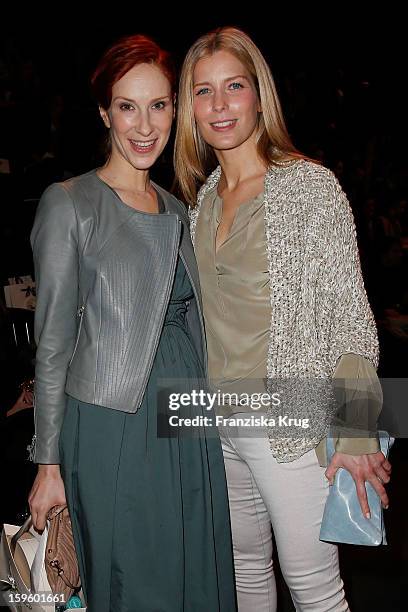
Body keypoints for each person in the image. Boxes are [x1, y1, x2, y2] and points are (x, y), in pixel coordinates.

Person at [175, 27, 391, 611]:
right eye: (203, 91)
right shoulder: (203, 200)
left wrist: (354, 428)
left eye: (234, 87)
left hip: (289, 419)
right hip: (218, 422)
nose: (219, 105)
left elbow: (350, 318)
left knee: (316, 592)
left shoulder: (309, 187)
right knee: (244, 574)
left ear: (259, 95)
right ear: (188, 108)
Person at [28, 34, 236, 612]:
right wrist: (48, 462)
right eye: (127, 106)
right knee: (133, 575)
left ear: (176, 109)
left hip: (189, 412)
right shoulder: (70, 202)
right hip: (111, 421)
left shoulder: (178, 208)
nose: (144, 125)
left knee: (196, 563)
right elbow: (52, 344)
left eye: (159, 105)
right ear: (105, 112)